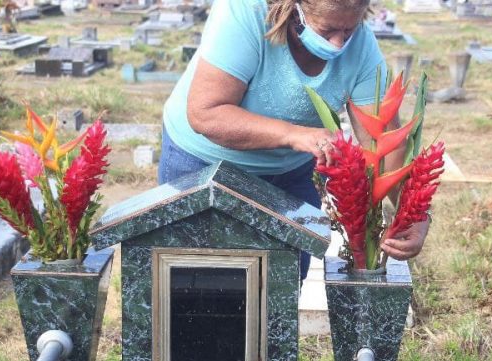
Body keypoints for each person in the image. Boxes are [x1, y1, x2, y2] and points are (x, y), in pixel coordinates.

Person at [159, 0, 430, 278]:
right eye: (327, 31)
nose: (338, 44)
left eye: (347, 31)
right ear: (294, 7)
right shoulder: (244, 12)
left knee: (281, 283)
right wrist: (294, 134)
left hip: (291, 173)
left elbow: (385, 146)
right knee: (192, 281)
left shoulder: (361, 48)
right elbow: (206, 114)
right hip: (205, 162)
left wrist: (415, 213)